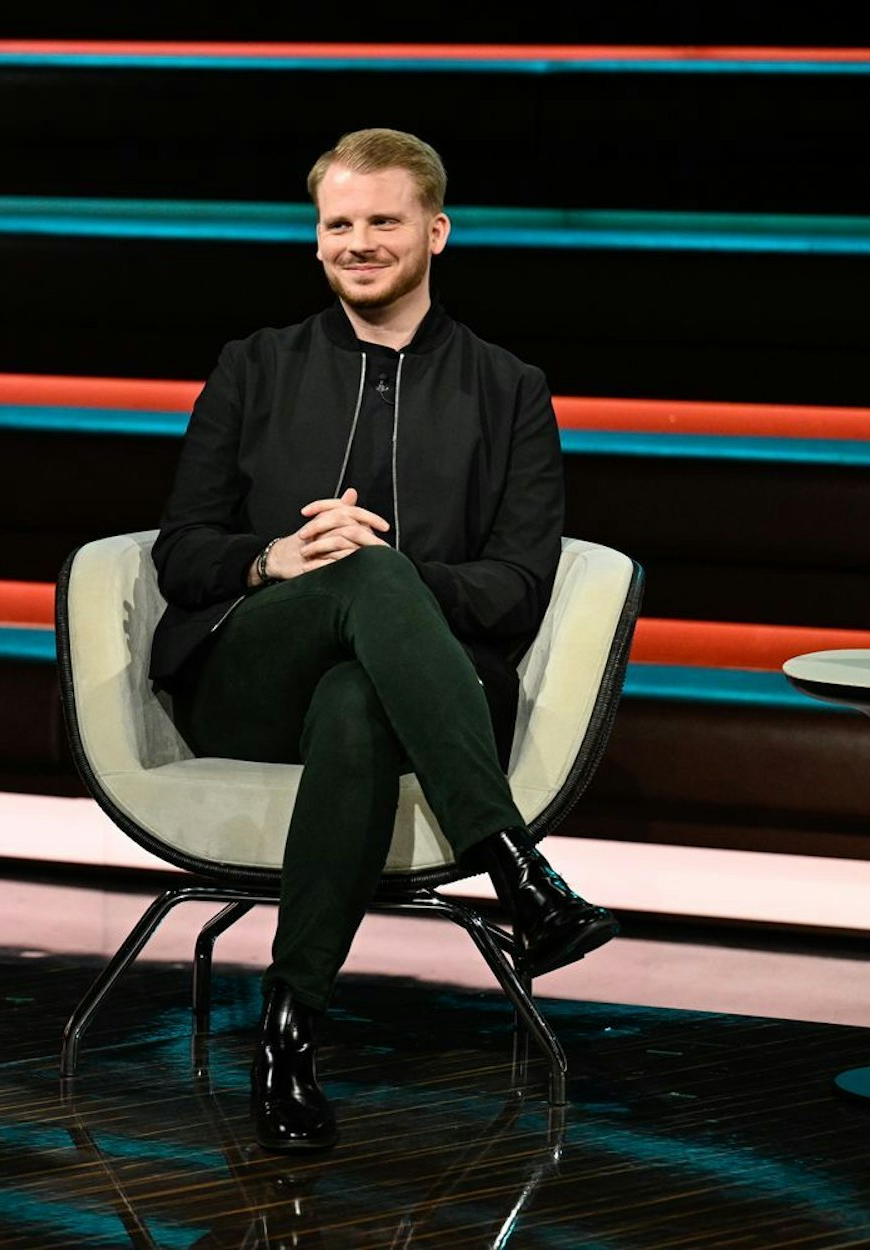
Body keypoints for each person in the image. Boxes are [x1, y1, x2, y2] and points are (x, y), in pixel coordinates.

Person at [151, 129, 617, 1153]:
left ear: (435, 232)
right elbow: (180, 553)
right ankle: (513, 868)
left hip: (422, 695)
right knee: (353, 575)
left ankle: (285, 1027)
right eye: (336, 224)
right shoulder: (253, 365)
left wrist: (393, 578)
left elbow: (518, 585)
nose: (356, 242)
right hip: (250, 676)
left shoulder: (508, 389)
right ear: (316, 239)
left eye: (381, 221)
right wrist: (276, 558)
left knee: (359, 695)